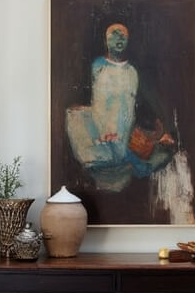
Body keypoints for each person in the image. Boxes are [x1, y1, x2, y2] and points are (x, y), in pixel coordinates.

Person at [66, 22, 175, 193]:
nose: (119, 38)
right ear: (106, 40)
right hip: (99, 134)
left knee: (140, 160)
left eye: (123, 35)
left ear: (128, 40)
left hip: (124, 136)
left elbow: (137, 105)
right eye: (114, 34)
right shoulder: (97, 66)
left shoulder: (131, 71)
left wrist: (158, 132)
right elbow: (86, 104)